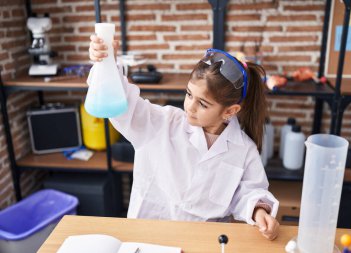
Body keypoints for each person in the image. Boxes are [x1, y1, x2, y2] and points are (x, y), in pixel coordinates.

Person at [89, 35, 280, 240]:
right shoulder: (163, 123)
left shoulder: (244, 149)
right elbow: (124, 107)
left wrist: (258, 211)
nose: (190, 106)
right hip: (148, 236)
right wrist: (107, 64)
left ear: (229, 111)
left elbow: (248, 193)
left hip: (203, 242)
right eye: (189, 94)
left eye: (203, 104)